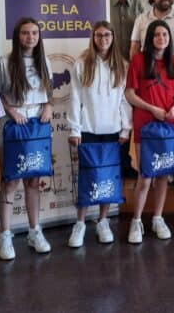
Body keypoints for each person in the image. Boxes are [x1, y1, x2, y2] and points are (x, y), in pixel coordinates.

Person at [66, 21, 131, 247]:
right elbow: (75, 98)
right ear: (93, 38)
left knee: (108, 178)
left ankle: (103, 221)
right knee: (87, 177)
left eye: (107, 35)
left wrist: (126, 128)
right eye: (99, 35)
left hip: (113, 131)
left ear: (113, 37)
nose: (103, 39)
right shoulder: (82, 64)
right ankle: (80, 223)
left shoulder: (122, 65)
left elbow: (124, 100)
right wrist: (74, 128)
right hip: (88, 130)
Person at [0, 18, 53, 260]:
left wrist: (48, 105)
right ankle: (5, 235)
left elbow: (47, 92)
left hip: (37, 126)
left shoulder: (44, 61)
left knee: (33, 181)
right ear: (18, 36)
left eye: (35, 33)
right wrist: (11, 111)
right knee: (10, 183)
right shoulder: (4, 62)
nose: (30, 37)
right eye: (26, 33)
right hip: (12, 127)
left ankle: (34, 231)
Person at [125, 20, 174, 243]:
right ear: (150, 38)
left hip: (168, 126)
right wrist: (152, 109)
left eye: (165, 35)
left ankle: (157, 218)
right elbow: (129, 94)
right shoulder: (139, 61)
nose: (161, 38)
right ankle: (137, 220)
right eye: (157, 35)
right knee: (145, 175)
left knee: (162, 176)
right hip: (145, 125)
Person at [108, 0, 144, 179]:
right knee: (111, 115)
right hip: (109, 70)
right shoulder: (102, 3)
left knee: (127, 115)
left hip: (132, 71)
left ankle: (125, 161)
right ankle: (114, 162)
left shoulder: (139, 6)